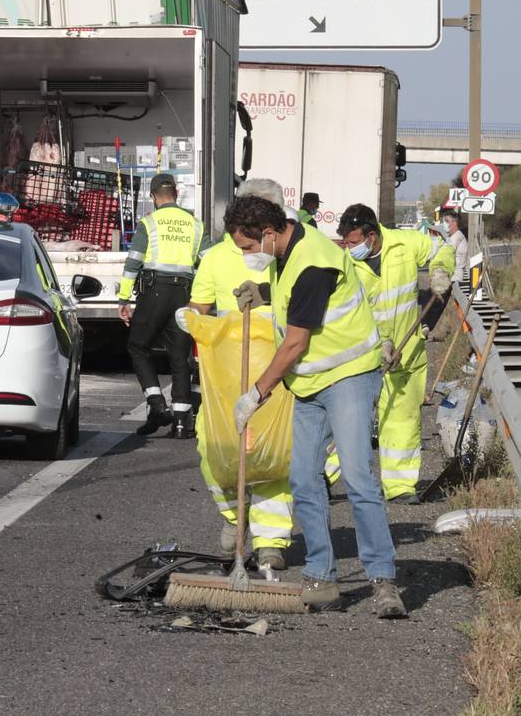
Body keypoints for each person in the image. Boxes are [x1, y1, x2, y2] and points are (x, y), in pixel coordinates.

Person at [226, 195, 406, 618]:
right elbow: (298, 297)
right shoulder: (290, 249)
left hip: (348, 377)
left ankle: (383, 581)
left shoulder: (313, 260)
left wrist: (256, 394)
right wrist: (263, 291)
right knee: (304, 479)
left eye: (249, 249)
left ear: (269, 234)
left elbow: (295, 343)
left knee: (359, 478)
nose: (247, 256)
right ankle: (321, 577)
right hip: (310, 385)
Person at [185, 178, 293, 572]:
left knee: (273, 452)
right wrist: (191, 321)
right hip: (226, 370)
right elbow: (199, 306)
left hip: (275, 369)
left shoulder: (285, 253)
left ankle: (271, 543)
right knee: (213, 447)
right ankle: (236, 517)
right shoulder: (215, 258)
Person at [336, 204, 455, 503]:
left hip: (407, 353)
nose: (349, 248)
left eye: (353, 242)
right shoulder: (345, 264)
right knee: (350, 417)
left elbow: (442, 247)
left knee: (400, 418)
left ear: (372, 236)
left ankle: (399, 486)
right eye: (346, 243)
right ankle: (323, 475)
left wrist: (440, 270)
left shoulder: (405, 243)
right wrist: (381, 344)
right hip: (362, 354)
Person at [118, 173, 203, 438]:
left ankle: (156, 405)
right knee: (180, 356)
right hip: (184, 294)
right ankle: (181, 422)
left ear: (154, 196)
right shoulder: (196, 225)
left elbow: (133, 262)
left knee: (138, 346)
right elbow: (206, 263)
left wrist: (123, 299)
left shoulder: (149, 223)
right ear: (176, 194)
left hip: (154, 291)